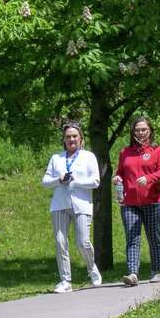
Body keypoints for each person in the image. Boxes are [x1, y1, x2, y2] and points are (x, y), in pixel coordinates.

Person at [41, 122, 101, 293]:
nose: (71, 139)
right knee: (60, 242)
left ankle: (92, 268)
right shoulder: (56, 158)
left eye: (74, 136)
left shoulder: (88, 156)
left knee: (83, 242)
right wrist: (58, 180)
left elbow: (95, 181)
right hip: (59, 205)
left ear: (81, 138)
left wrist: (75, 181)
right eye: (68, 137)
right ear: (64, 140)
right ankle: (65, 280)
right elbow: (45, 182)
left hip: (81, 205)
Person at [114, 116, 160, 286]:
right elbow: (121, 172)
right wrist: (117, 178)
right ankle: (133, 274)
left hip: (153, 202)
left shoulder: (158, 150)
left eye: (144, 129)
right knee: (132, 237)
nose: (141, 132)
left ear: (150, 131)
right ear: (133, 132)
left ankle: (156, 271)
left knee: (154, 237)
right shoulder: (125, 152)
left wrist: (149, 178)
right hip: (129, 203)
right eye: (137, 129)